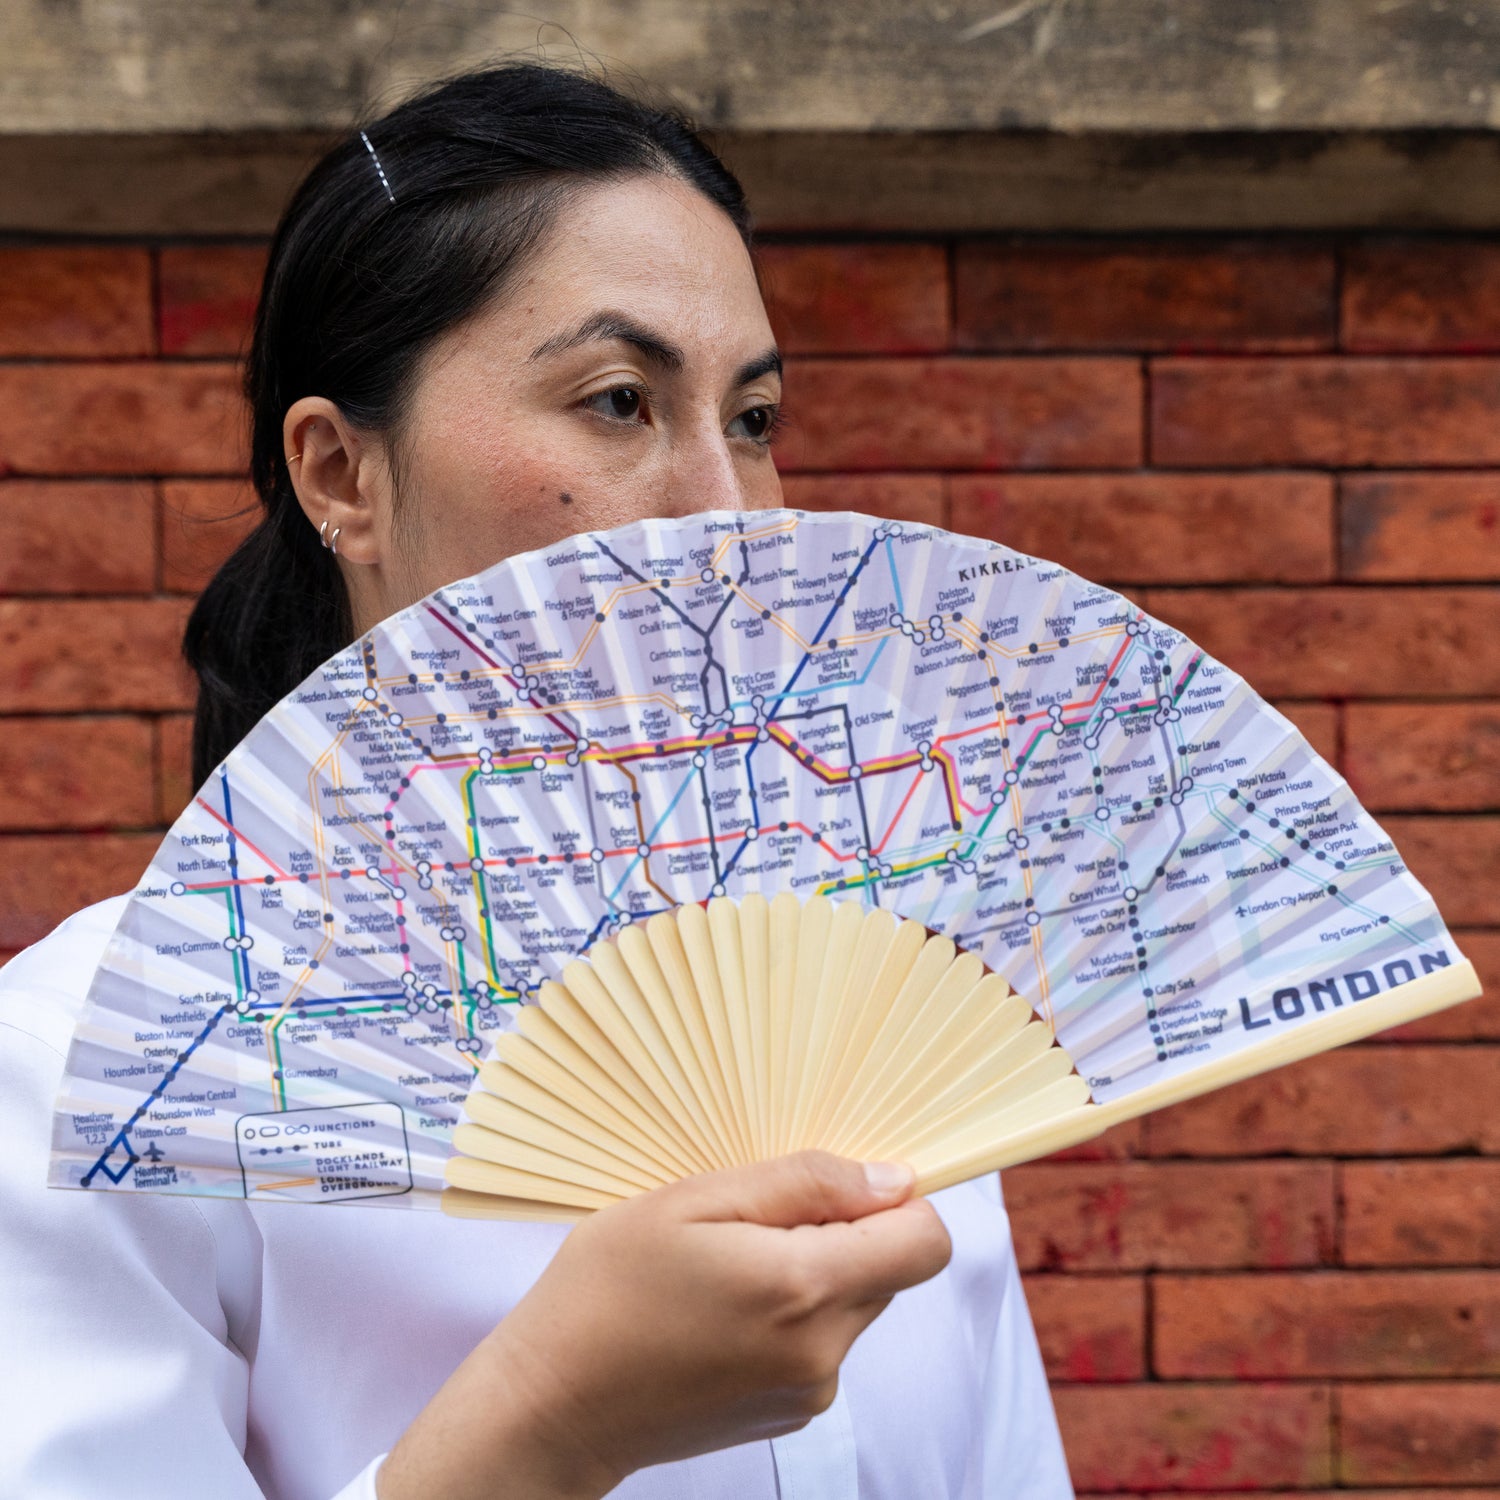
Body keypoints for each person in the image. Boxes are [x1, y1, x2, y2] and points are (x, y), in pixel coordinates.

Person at [0, 62, 1073, 1499]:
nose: (723, 510)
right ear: (339, 477)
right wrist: (547, 1421)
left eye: (751, 420)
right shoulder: (90, 1066)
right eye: (620, 401)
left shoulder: (876, 1012)